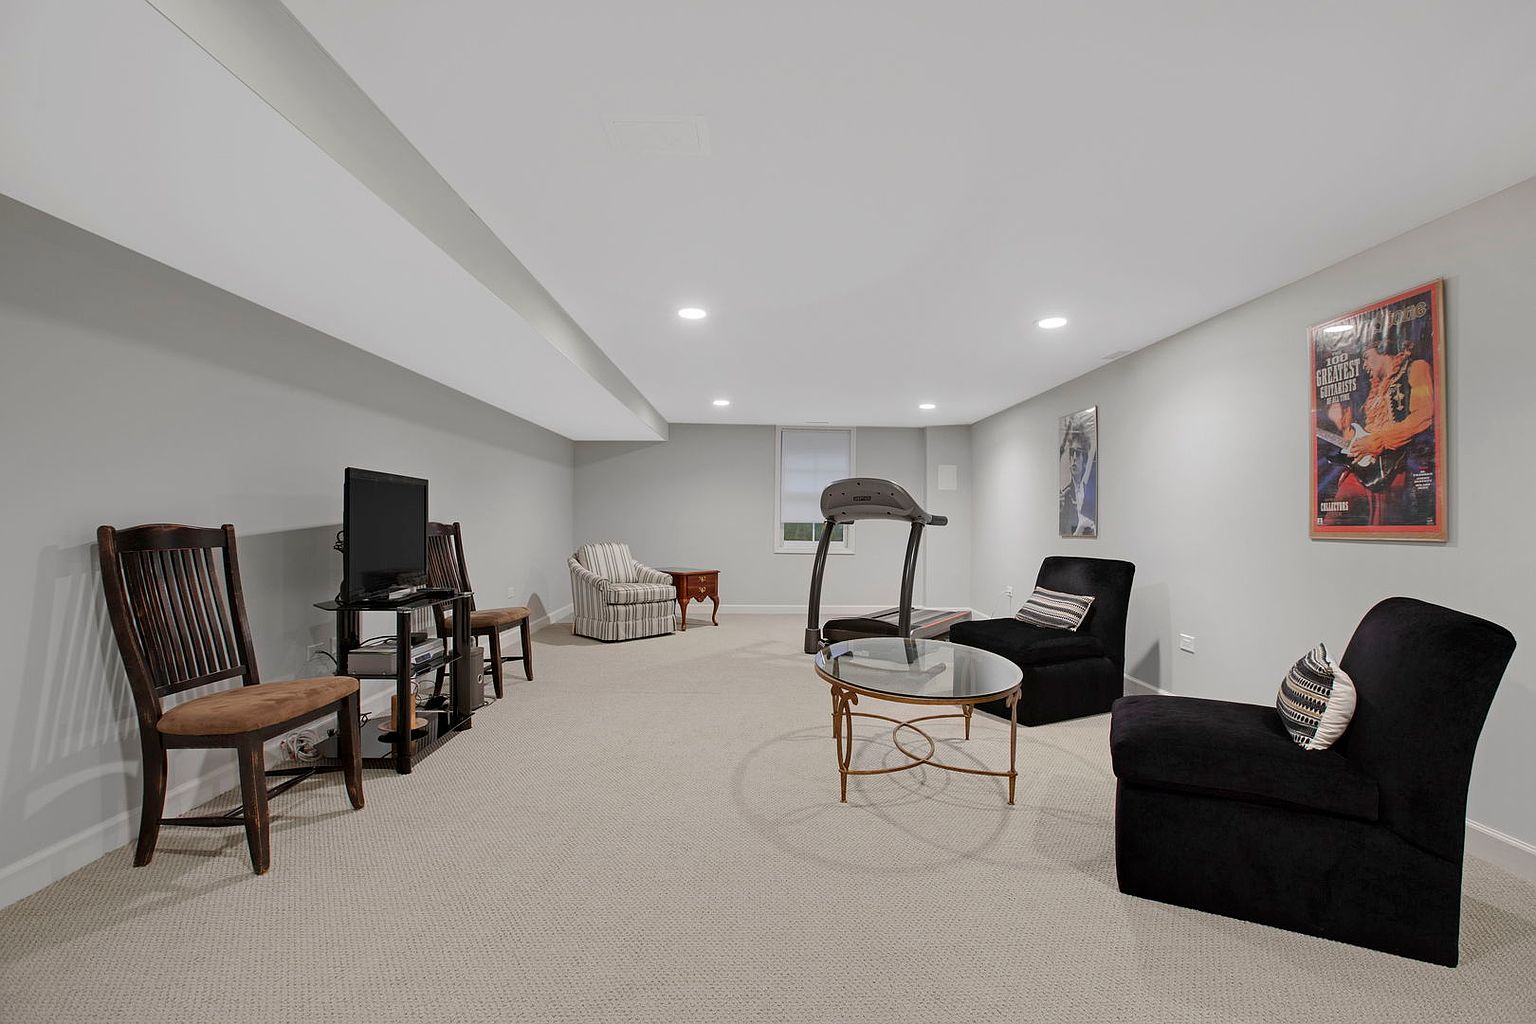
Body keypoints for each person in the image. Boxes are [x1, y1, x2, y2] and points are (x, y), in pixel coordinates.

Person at [1322, 320, 1436, 526]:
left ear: (1382, 349)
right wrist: (1346, 429)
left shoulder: (1416, 368)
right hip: (1364, 467)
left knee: (1378, 524)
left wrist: (1380, 441)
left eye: (1366, 357)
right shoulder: (1374, 390)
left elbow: (1423, 415)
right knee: (1334, 519)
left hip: (1394, 466)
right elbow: (1364, 434)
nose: (1365, 365)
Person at [1059, 417, 1097, 535]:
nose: (1074, 458)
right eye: (1072, 452)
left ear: (1085, 459)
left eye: (1078, 453)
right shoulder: (1065, 497)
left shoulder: (1091, 493)